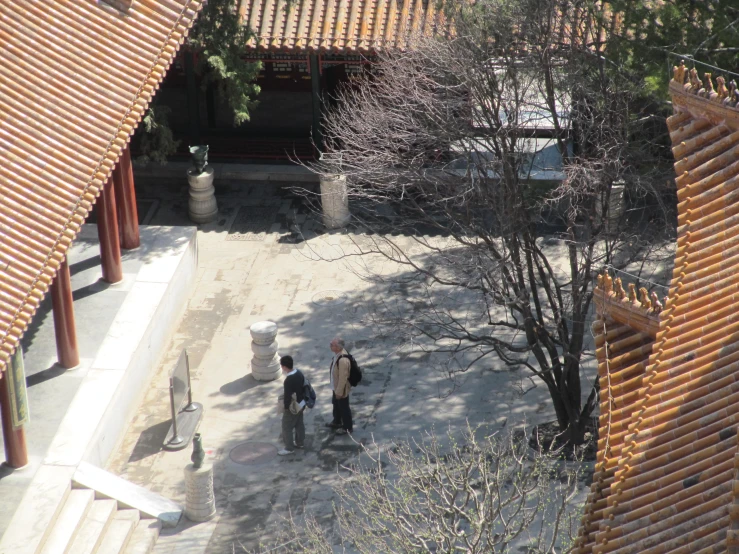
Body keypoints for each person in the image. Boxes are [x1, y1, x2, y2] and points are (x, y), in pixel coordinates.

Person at [278, 355, 305, 456]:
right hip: (302, 403)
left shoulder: (288, 380)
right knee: (299, 424)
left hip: (293, 407)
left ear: (284, 367)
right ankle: (300, 443)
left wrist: (285, 408)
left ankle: (289, 448)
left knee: (286, 426)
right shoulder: (299, 373)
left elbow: (287, 396)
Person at [327, 337, 353, 435]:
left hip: (340, 389)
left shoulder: (342, 360)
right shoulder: (338, 355)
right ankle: (337, 421)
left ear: (338, 347)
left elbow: (343, 378)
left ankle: (347, 428)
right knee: (336, 405)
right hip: (335, 387)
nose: (330, 346)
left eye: (332, 344)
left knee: (344, 408)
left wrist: (339, 392)